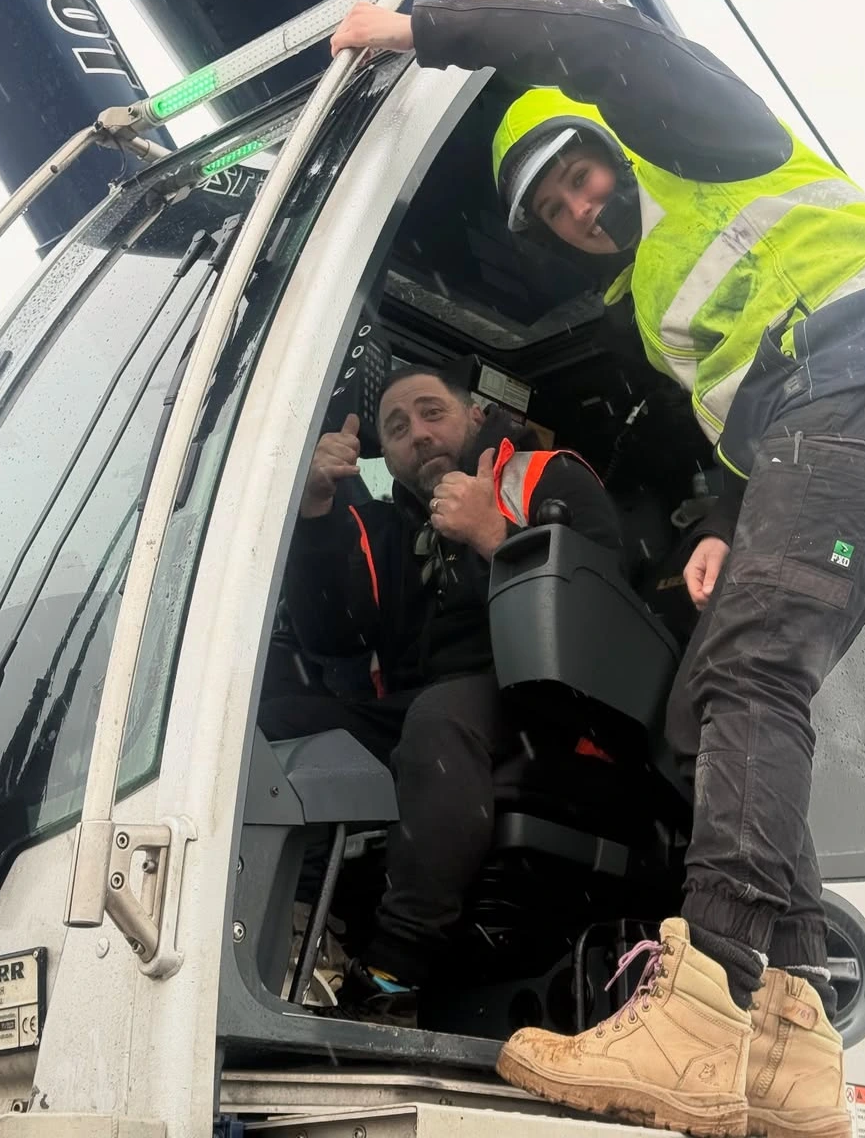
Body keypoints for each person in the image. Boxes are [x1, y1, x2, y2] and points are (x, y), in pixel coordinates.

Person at [329, 0, 865, 1133]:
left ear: (613, 142)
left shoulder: (701, 143)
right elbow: (753, 423)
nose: (582, 207)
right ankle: (788, 1041)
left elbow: (601, 41)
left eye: (580, 175)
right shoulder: (653, 295)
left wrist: (420, 28)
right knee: (718, 694)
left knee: (750, 674)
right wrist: (718, 524)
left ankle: (703, 1004)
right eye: (557, 210)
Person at [262, 361, 621, 1024]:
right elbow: (332, 635)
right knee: (278, 716)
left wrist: (494, 535)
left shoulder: (542, 475)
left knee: (440, 717)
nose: (419, 434)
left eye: (433, 413)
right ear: (387, 456)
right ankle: (301, 927)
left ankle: (395, 974)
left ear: (474, 417)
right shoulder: (388, 527)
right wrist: (315, 509)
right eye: (396, 428)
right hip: (419, 705)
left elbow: (610, 596)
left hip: (541, 696)